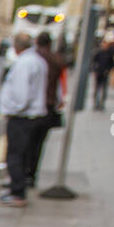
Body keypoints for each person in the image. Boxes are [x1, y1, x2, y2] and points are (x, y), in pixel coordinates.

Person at [0, 33, 49, 207]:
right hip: (35, 115)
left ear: (17, 46)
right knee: (24, 154)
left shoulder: (24, 63)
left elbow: (21, 94)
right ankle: (18, 187)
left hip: (22, 117)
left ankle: (17, 193)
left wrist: (12, 109)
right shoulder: (37, 60)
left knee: (15, 155)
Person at [26, 31, 65, 187]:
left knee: (26, 142)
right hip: (48, 106)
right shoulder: (57, 60)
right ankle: (32, 174)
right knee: (39, 143)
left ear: (37, 42)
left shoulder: (32, 58)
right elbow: (61, 86)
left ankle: (23, 174)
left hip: (32, 107)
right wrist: (60, 101)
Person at [91, 38, 114, 110]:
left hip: (105, 74)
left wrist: (108, 70)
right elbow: (93, 62)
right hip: (98, 73)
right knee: (97, 89)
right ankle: (96, 103)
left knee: (104, 89)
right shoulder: (98, 52)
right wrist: (95, 70)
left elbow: (112, 64)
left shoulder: (109, 53)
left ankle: (102, 104)